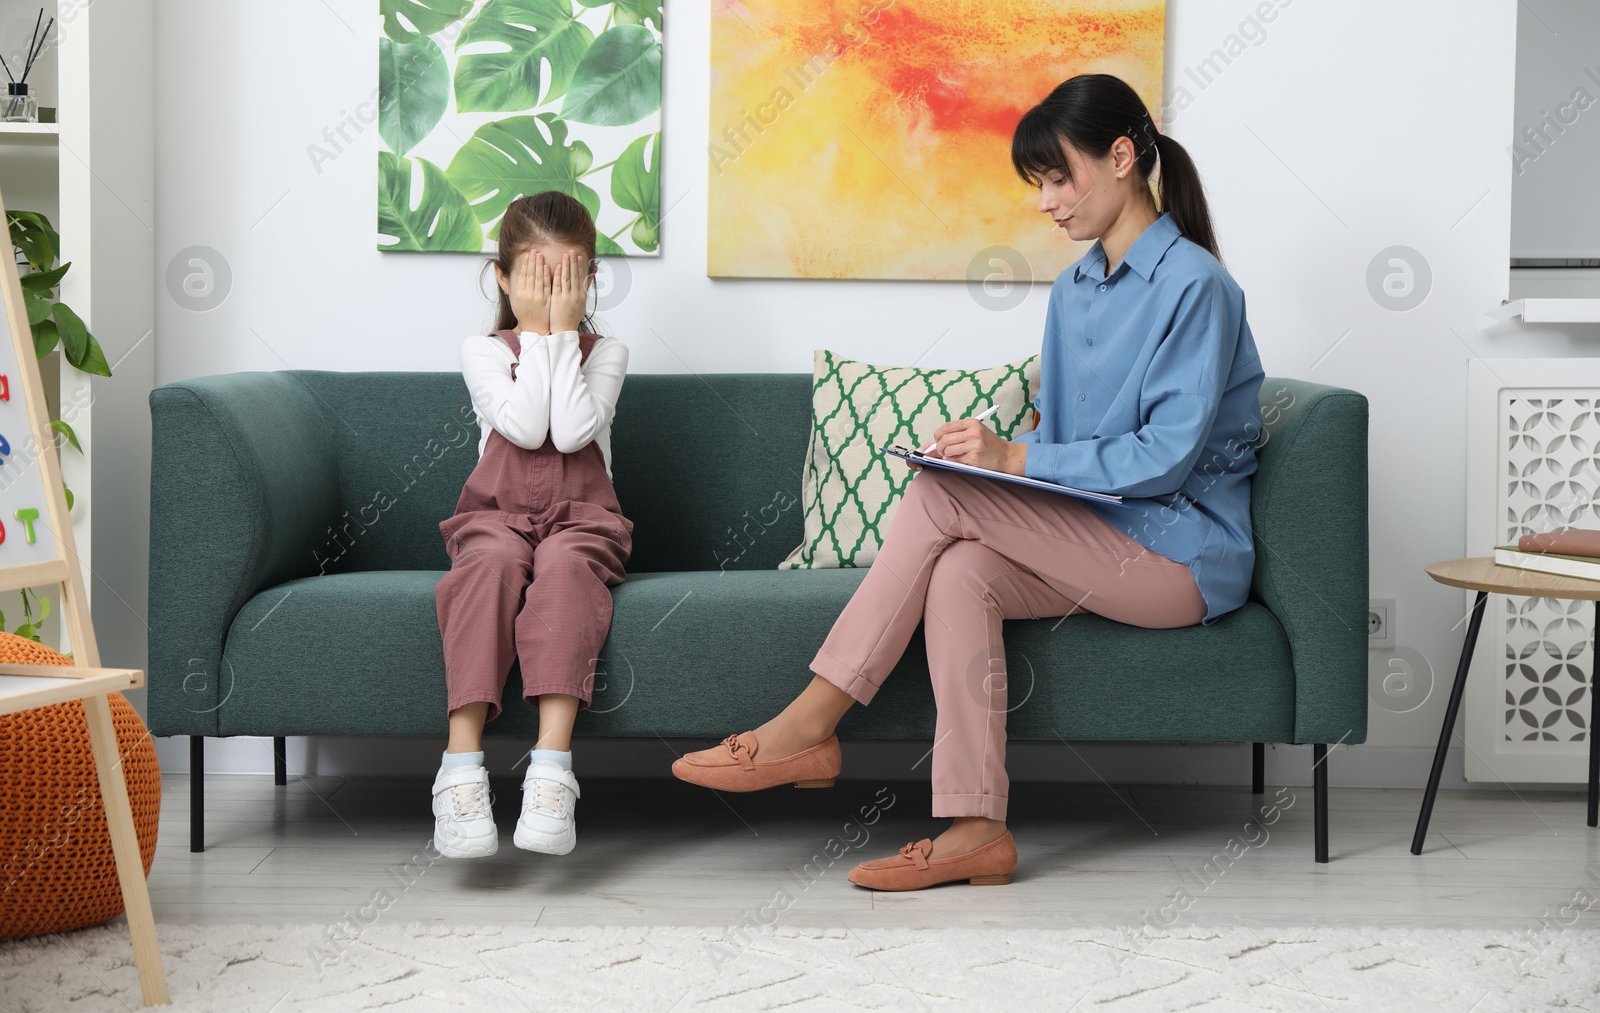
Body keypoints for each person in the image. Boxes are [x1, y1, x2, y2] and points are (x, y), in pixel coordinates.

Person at [671, 73, 1266, 891]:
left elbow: (1161, 457)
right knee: (959, 570)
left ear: (1123, 156)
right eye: (1039, 184)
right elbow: (1064, 441)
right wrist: (994, 451)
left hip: (1180, 558)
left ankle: (810, 722)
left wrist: (1008, 463)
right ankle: (976, 827)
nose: (1046, 202)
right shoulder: (1075, 290)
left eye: (1060, 177)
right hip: (1104, 540)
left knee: (944, 494)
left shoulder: (1196, 286)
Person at [431, 191, 633, 859]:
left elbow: (572, 433)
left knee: (567, 572)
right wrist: (546, 336)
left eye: (566, 280)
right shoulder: (482, 350)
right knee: (485, 571)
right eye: (537, 279)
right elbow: (522, 424)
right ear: (503, 278)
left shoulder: (607, 353)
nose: (550, 296)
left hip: (584, 517)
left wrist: (562, 335)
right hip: (496, 515)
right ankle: (460, 770)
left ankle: (551, 769)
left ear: (589, 281)